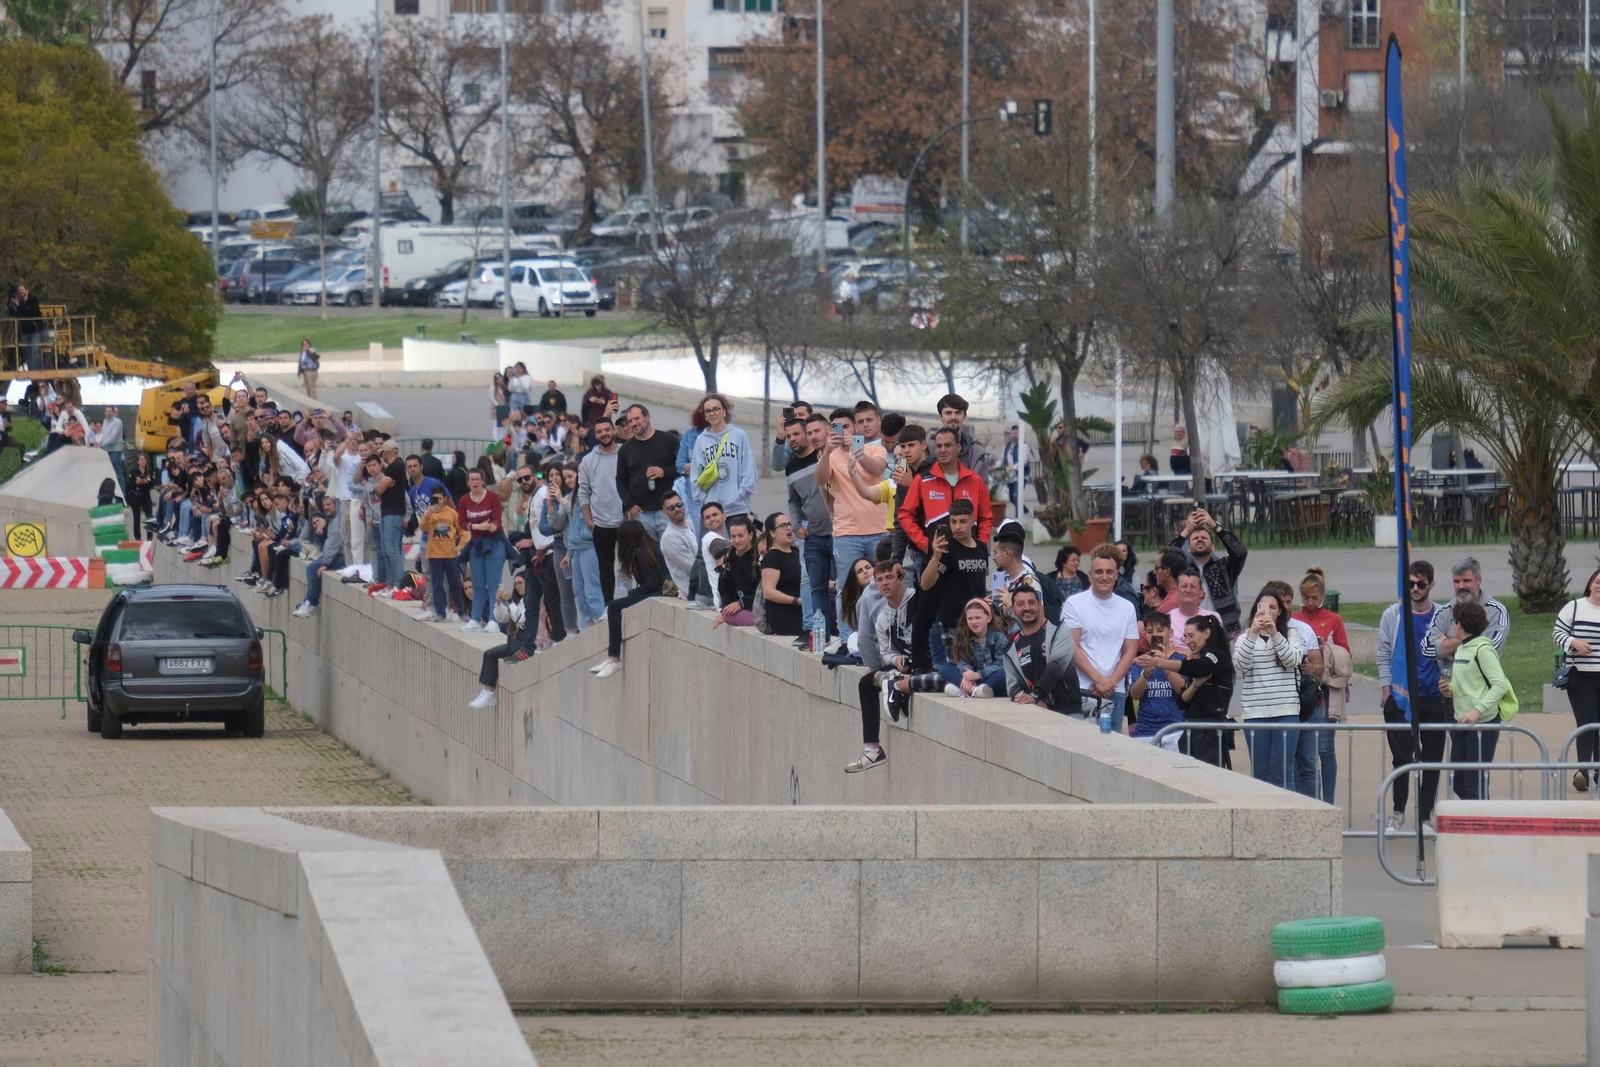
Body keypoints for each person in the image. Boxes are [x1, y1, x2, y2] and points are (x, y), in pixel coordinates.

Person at [1378, 560, 1446, 834]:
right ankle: (1398, 812)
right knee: (1402, 759)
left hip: (1433, 696)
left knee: (1431, 759)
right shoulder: (1393, 615)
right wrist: (1386, 688)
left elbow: (1452, 650)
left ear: (1431, 584)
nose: (1415, 589)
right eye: (1410, 584)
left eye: (1420, 584)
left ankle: (1427, 814)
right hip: (1400, 696)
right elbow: (1383, 652)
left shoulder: (1443, 614)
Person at [845, 560, 915, 773]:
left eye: (889, 578)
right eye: (879, 581)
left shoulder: (916, 600)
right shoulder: (883, 617)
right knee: (866, 683)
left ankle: (895, 687)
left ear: (900, 577)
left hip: (925, 662)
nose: (883, 584)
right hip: (902, 665)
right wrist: (896, 661)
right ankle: (872, 750)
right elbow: (885, 653)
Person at [1064, 544, 1141, 732]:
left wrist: (1110, 682)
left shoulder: (1127, 607)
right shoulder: (1074, 603)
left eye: (1109, 572)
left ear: (1116, 575)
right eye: (1098, 572)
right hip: (1082, 689)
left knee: (1113, 750)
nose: (1104, 577)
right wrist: (1098, 679)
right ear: (1090, 575)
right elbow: (1071, 645)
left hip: (1116, 690)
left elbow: (1130, 650)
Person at [1233, 589, 1303, 790]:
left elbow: (1292, 661)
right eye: (1263, 608)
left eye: (1273, 608)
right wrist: (1253, 634)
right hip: (1255, 713)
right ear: (1256, 611)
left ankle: (1286, 817)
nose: (1268, 613)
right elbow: (1240, 666)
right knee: (1260, 772)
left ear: (1280, 611)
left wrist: (1274, 634)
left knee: (1284, 771)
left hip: (1286, 711)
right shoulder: (1244, 638)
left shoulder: (1291, 635)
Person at [1449, 599, 1517, 801]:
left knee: (1474, 782)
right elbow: (1469, 685)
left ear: (1459, 624)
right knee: (1458, 781)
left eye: (1454, 621)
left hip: (1483, 723)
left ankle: (1481, 825)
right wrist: (1449, 689)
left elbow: (1499, 685)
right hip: (1461, 722)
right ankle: (1475, 819)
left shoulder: (1483, 649)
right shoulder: (1461, 649)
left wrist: (1477, 711)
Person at [587, 519, 669, 679]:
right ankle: (611, 656)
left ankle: (614, 658)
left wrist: (630, 594)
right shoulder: (645, 548)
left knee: (614, 606)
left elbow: (652, 583)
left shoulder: (642, 552)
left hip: (657, 593)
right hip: (655, 591)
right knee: (614, 606)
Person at [916, 497, 990, 666]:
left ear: (973, 521)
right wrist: (935, 557)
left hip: (977, 623)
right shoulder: (946, 549)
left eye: (963, 521)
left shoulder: (981, 548)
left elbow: (980, 584)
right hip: (952, 623)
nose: (957, 527)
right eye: (953, 521)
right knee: (956, 671)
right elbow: (926, 584)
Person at [1421, 556, 1511, 689]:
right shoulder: (1444, 612)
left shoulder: (1496, 611)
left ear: (1479, 580)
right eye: (1456, 581)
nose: (1461, 586)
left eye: (1466, 581)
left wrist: (1448, 647)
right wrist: (1475, 641)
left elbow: (1490, 649)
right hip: (1451, 693)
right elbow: (1427, 648)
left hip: (1484, 691)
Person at [784, 414, 834, 636]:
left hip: (839, 533)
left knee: (844, 588)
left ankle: (844, 638)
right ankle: (820, 636)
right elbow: (794, 500)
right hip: (812, 536)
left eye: (797, 434)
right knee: (817, 589)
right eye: (788, 436)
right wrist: (795, 525)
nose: (792, 439)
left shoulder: (827, 455)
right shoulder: (791, 467)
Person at [1169, 507, 1249, 634]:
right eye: (1195, 538)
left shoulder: (1224, 567)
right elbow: (1167, 557)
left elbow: (1240, 552)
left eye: (1204, 538)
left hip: (1223, 631)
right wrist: (1187, 530)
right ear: (1188, 548)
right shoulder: (1183, 570)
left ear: (1213, 547)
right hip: (1189, 631)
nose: (1200, 539)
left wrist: (1214, 526)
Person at [1555, 567, 1600, 792]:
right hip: (1581, 677)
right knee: (1587, 724)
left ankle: (1598, 772)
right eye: (1598, 581)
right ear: (1591, 583)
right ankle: (1583, 771)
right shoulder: (1574, 607)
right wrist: (1573, 642)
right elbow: (1558, 632)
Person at [1003, 584, 1080, 714]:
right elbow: (1013, 688)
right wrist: (1033, 700)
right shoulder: (1010, 649)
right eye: (1021, 604)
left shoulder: (1059, 629)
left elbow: (1057, 666)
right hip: (1036, 714)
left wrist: (1035, 695)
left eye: (1031, 603)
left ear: (1039, 605)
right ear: (1013, 610)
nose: (1027, 608)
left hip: (1069, 712)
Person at [689, 393, 756, 524]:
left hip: (737, 509)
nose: (712, 413)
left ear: (724, 410)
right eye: (708, 411)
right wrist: (705, 500)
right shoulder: (701, 440)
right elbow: (695, 476)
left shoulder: (739, 435)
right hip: (713, 512)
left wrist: (739, 495)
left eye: (716, 409)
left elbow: (749, 470)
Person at [577, 417, 624, 604]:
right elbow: (583, 492)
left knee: (629, 565)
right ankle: (608, 605)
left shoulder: (625, 454)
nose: (604, 434)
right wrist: (589, 520)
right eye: (599, 431)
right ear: (595, 435)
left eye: (607, 429)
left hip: (624, 521)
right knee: (605, 567)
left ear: (613, 431)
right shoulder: (588, 461)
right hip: (600, 523)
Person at [617, 404, 680, 542]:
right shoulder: (625, 450)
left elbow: (684, 468)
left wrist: (664, 472)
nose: (633, 423)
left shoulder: (669, 440)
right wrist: (630, 505)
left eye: (636, 418)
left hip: (668, 511)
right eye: (630, 421)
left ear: (647, 417)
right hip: (642, 514)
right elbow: (620, 481)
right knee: (648, 559)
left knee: (671, 556)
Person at [459, 468, 507, 632]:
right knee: (477, 583)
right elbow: (462, 522)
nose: (474, 482)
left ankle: (493, 620)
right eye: (471, 480)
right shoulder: (465, 500)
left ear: (483, 481)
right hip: (476, 544)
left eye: (477, 479)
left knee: (493, 583)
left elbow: (497, 520)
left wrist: (492, 526)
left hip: (494, 543)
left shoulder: (492, 497)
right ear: (468, 482)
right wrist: (477, 526)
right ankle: (475, 619)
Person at [411, 487, 467, 623]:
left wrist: (460, 546)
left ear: (445, 499)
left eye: (440, 499)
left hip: (450, 554)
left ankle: (461, 611)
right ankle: (440, 611)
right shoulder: (430, 514)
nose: (437, 502)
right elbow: (423, 527)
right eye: (434, 499)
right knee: (437, 584)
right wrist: (428, 513)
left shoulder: (452, 513)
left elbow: (463, 531)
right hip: (434, 554)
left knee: (455, 583)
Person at [1130, 613, 1184, 750]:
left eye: (1160, 631)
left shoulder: (1182, 660)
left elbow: (1183, 690)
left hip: (1176, 730)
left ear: (1170, 633)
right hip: (1145, 730)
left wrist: (1164, 664)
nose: (1155, 635)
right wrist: (1146, 673)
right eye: (1150, 632)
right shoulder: (1140, 661)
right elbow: (1135, 694)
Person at [936, 597, 1008, 697]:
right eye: (970, 618)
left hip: (988, 677)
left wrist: (979, 674)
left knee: (1002, 675)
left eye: (978, 618)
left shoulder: (999, 638)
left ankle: (965, 691)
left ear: (989, 618)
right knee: (945, 669)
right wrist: (967, 676)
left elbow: (1002, 664)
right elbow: (963, 661)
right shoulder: (965, 637)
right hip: (973, 678)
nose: (974, 622)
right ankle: (975, 690)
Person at [292, 495, 347, 618]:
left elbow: (334, 543)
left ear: (336, 505)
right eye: (324, 505)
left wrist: (325, 564)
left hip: (341, 557)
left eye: (329, 504)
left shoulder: (338, 521)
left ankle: (311, 603)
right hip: (330, 555)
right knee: (300, 555)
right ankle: (307, 601)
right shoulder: (332, 520)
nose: (326, 507)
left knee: (312, 568)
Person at [758, 510, 804, 637]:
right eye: (783, 526)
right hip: (785, 618)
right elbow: (769, 592)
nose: (789, 528)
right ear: (772, 532)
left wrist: (834, 585)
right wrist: (797, 601)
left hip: (803, 614)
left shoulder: (796, 552)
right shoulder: (772, 557)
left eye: (790, 524)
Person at [712, 519, 760, 628]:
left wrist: (741, 603)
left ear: (750, 535)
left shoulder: (759, 557)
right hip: (743, 607)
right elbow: (725, 588)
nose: (737, 540)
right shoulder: (730, 557)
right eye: (733, 537)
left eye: (741, 536)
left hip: (759, 606)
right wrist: (727, 608)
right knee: (726, 614)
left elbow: (763, 591)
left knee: (727, 616)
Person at [935, 393, 990, 487]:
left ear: (964, 416)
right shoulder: (927, 448)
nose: (953, 417)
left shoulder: (977, 453)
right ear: (940, 416)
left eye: (958, 412)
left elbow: (983, 490)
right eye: (948, 413)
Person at [1166, 569, 1222, 654]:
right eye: (1184, 586)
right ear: (1176, 591)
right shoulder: (1167, 619)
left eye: (1193, 587)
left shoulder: (1213, 618)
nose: (1188, 590)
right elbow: (1166, 652)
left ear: (1201, 592)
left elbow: (1218, 651)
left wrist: (1178, 650)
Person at [658, 489, 698, 599]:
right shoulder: (669, 538)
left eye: (679, 505)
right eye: (671, 508)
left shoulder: (689, 524)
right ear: (665, 512)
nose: (676, 509)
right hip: (693, 593)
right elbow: (693, 567)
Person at [838, 557, 876, 649]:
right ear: (855, 579)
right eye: (859, 571)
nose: (865, 572)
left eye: (868, 567)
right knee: (852, 639)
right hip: (870, 641)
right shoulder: (857, 602)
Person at [769, 401, 814, 471]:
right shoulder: (791, 443)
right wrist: (780, 438)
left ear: (811, 416)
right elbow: (777, 467)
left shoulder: (821, 437)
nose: (797, 418)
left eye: (801, 414)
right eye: (794, 415)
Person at [7, 283, 42, 370]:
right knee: (26, 352)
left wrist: (19, 306)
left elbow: (30, 312)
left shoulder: (33, 300)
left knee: (34, 350)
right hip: (24, 330)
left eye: (22, 290)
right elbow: (17, 315)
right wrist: (10, 309)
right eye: (19, 291)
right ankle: (31, 370)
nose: (21, 292)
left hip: (35, 329)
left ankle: (37, 370)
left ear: (27, 290)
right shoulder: (19, 301)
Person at [99, 406, 125, 498]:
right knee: (108, 474)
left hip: (115, 451)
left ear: (113, 413)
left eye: (110, 411)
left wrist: (103, 444)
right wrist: (97, 442)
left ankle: (122, 495)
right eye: (107, 411)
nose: (108, 413)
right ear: (104, 412)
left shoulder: (118, 422)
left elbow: (113, 437)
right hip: (107, 451)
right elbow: (103, 435)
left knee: (117, 474)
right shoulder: (105, 421)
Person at [128, 452, 155, 540]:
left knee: (149, 516)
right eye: (141, 460)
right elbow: (129, 484)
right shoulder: (133, 471)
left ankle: (149, 537)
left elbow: (153, 484)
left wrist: (147, 482)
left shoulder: (149, 471)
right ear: (138, 461)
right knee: (136, 517)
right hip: (136, 495)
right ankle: (137, 537)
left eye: (145, 460)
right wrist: (136, 482)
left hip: (146, 495)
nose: (143, 462)